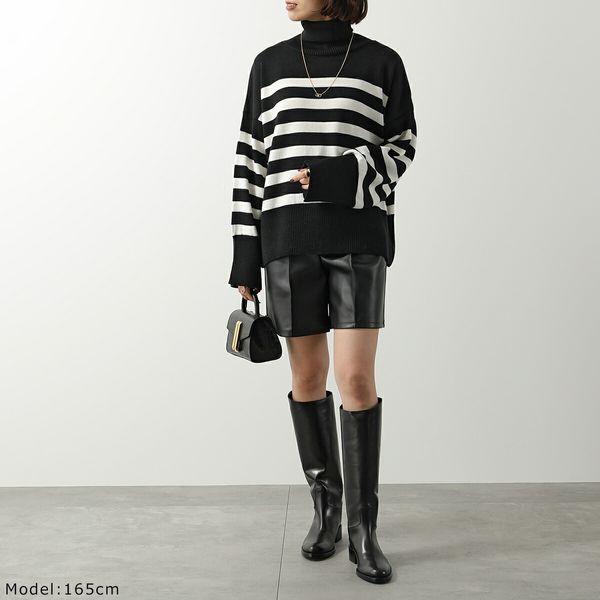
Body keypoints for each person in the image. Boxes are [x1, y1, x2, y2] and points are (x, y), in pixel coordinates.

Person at [227, 0, 417, 585]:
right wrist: (244, 254)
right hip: (287, 240)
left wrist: (337, 176)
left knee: (356, 379)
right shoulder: (269, 64)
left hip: (359, 239)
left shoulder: (382, 63)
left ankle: (364, 530)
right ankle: (326, 512)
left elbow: (402, 147)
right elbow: (250, 161)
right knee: (307, 378)